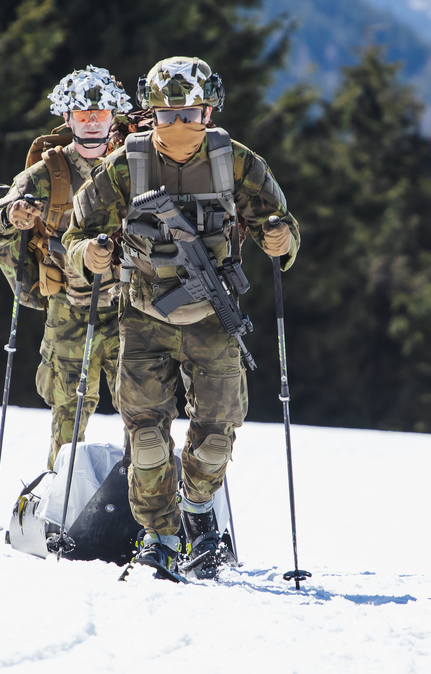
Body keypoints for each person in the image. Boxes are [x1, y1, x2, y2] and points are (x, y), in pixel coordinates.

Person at [64, 57, 301, 577]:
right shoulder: (126, 164)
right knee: (147, 438)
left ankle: (198, 512)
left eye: (189, 114)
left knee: (216, 436)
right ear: (150, 114)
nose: (177, 125)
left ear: (209, 112)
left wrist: (280, 239)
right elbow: (76, 232)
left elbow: (279, 224)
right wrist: (90, 255)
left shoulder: (235, 162)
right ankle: (160, 536)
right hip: (143, 315)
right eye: (166, 115)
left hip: (213, 318)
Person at [0, 66, 130, 469]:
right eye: (82, 114)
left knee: (144, 414)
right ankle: (59, 492)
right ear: (67, 118)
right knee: (68, 419)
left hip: (129, 308)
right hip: (67, 309)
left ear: (114, 115)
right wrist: (11, 216)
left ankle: (148, 499)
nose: (92, 121)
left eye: (101, 113)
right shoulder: (46, 175)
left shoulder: (135, 166)